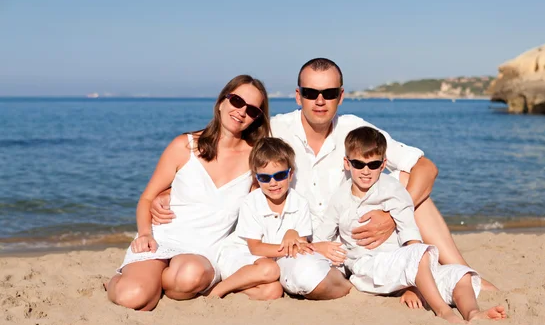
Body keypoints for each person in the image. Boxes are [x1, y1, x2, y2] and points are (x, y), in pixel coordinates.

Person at [151, 58, 497, 303]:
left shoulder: (354, 129)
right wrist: (168, 188)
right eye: (312, 93)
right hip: (308, 246)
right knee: (303, 276)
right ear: (298, 94)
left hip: (359, 236)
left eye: (329, 94)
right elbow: (228, 154)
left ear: (341, 96)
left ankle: (462, 270)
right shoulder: (274, 130)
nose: (320, 101)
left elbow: (426, 168)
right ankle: (364, 282)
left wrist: (390, 218)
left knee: (406, 181)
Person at [106, 75, 271, 311]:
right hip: (161, 240)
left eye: (252, 110)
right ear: (222, 102)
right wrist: (144, 234)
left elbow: (260, 208)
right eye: (236, 101)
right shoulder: (184, 146)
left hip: (203, 253)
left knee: (188, 278)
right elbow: (147, 198)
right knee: (133, 297)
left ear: (256, 119)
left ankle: (153, 280)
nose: (241, 112)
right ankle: (123, 282)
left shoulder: (255, 159)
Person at [313, 126, 506, 323]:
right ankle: (443, 311)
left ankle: (473, 313)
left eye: (373, 165)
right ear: (347, 163)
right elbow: (322, 235)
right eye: (358, 164)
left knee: (460, 276)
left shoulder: (393, 189)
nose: (365, 171)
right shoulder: (340, 198)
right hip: (369, 269)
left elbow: (409, 231)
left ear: (383, 164)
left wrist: (413, 283)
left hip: (404, 263)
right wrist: (320, 246)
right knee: (418, 257)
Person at [210, 137, 313, 299]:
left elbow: (302, 244)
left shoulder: (300, 203)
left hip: (265, 265)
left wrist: (293, 233)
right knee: (271, 269)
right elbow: (255, 248)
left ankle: (237, 287)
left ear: (290, 174)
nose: (273, 183)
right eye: (265, 178)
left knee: (274, 291)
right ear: (257, 178)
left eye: (279, 175)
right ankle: (218, 290)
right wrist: (290, 244)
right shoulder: (252, 202)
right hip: (241, 256)